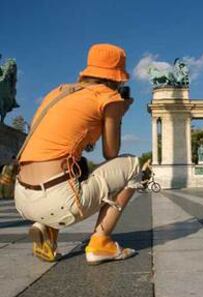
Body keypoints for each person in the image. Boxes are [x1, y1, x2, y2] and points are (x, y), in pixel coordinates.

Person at [14, 44, 141, 265]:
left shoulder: (59, 91)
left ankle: (47, 227)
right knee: (134, 166)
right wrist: (118, 114)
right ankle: (100, 243)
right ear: (117, 77)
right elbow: (111, 152)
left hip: (22, 196)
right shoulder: (109, 97)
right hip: (60, 198)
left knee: (72, 164)